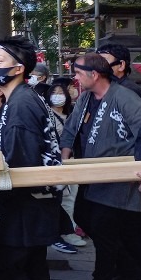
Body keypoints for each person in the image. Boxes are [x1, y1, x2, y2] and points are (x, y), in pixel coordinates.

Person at [0, 36, 76, 280]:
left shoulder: (22, 102)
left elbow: (20, 161)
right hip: (37, 202)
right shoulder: (23, 98)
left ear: (18, 68)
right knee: (35, 271)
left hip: (27, 203)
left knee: (7, 269)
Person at [59, 53, 141, 280]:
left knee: (103, 227)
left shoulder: (125, 98)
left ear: (94, 75)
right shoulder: (86, 98)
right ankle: (131, 272)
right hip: (91, 173)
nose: (75, 79)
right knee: (84, 216)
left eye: (78, 73)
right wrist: (65, 154)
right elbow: (70, 128)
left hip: (119, 176)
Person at [44, 82, 87, 251]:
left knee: (73, 197)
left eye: (61, 92)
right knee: (65, 199)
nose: (57, 95)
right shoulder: (47, 115)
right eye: (53, 92)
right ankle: (67, 232)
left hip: (73, 162)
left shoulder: (70, 115)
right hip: (57, 163)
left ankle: (72, 228)